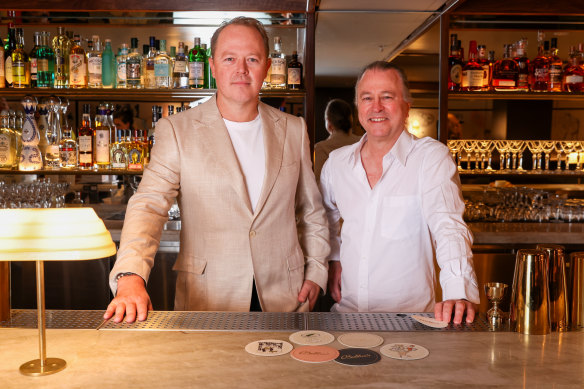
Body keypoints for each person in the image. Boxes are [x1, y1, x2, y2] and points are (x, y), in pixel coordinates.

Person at [104, 17, 330, 323]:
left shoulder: (293, 128)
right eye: (229, 59)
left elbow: (310, 210)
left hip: (285, 297)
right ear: (212, 67)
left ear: (266, 66)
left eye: (252, 59)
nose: (241, 69)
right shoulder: (177, 129)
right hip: (207, 296)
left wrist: (317, 270)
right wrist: (130, 275)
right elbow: (149, 204)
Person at [319, 61, 479, 324]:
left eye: (387, 97)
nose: (376, 107)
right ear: (358, 106)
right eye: (367, 98)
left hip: (410, 323)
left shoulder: (430, 157)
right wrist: (334, 258)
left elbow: (448, 225)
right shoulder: (337, 163)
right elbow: (325, 216)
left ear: (407, 106)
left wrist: (458, 291)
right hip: (347, 318)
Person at [313, 99, 361, 182]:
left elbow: (318, 183)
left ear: (328, 122)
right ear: (351, 119)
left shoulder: (320, 148)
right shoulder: (363, 142)